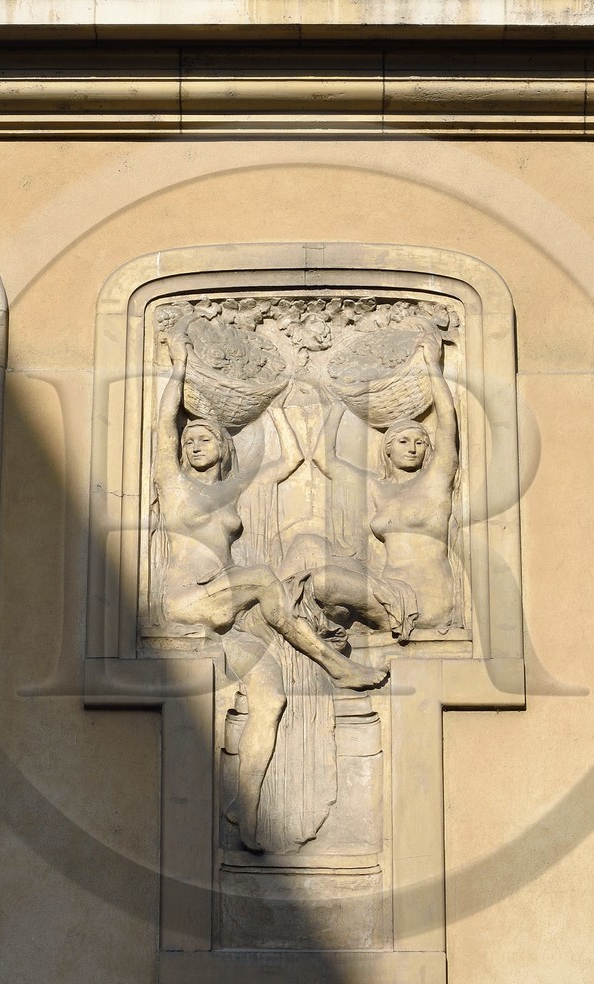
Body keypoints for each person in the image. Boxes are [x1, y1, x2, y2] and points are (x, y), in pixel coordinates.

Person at [151, 322, 385, 851]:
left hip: (224, 611)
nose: (195, 444)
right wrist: (179, 366)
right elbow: (165, 425)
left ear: (223, 448)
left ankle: (248, 812)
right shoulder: (174, 485)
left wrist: (283, 409)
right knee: (260, 577)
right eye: (190, 440)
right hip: (186, 600)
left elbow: (284, 464)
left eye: (205, 438)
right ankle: (337, 664)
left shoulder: (230, 493)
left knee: (272, 699)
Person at [298, 341, 461, 637]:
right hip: (388, 590)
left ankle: (315, 631)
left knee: (324, 582)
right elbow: (324, 458)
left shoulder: (436, 480)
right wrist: (336, 406)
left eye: (420, 442)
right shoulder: (378, 489)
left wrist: (432, 366)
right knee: (307, 547)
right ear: (387, 449)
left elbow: (447, 420)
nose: (412, 448)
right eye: (403, 441)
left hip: (425, 599)